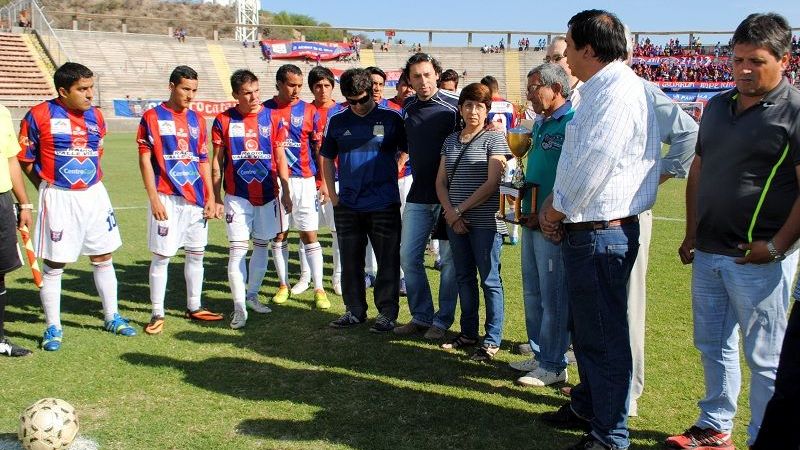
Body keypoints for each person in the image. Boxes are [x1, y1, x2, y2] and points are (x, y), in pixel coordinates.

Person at [668, 13, 800, 449]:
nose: (743, 69)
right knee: (712, 344)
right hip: (709, 250)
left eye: (756, 61)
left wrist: (778, 246)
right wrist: (691, 233)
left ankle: (764, 437)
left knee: (764, 358)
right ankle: (714, 424)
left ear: (784, 59)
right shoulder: (718, 107)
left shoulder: (795, 112)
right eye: (736, 59)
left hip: (757, 256)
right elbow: (699, 169)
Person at [538, 10, 659, 450]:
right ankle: (588, 405)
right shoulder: (599, 89)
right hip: (589, 227)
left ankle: (610, 435)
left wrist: (557, 210)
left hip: (598, 229)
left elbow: (594, 164)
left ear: (589, 49)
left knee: (603, 335)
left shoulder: (617, 92)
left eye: (569, 45)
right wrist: (559, 207)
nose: (564, 54)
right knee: (586, 329)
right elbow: (579, 160)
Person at [18, 62, 135, 351]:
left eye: (91, 87)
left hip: (94, 193)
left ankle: (112, 316)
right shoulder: (38, 115)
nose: (89, 94)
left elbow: (98, 151)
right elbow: (25, 159)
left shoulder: (96, 116)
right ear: (63, 91)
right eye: (82, 89)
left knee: (103, 256)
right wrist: (45, 185)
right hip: (58, 196)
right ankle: (53, 326)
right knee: (55, 262)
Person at [137, 65, 223, 335]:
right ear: (171, 86)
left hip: (195, 200)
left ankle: (194, 306)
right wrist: (154, 199)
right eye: (186, 89)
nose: (190, 95)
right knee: (162, 257)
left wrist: (210, 197)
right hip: (167, 197)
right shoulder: (152, 117)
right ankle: (157, 312)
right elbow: (145, 160)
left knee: (196, 255)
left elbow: (202, 161)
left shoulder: (198, 119)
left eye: (194, 90)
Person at [322, 68, 405, 333]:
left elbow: (407, 147)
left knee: (388, 261)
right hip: (348, 204)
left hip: (384, 203)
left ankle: (387, 313)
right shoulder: (336, 120)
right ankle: (354, 311)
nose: (357, 106)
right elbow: (325, 157)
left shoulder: (391, 117)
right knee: (350, 262)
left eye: (362, 99)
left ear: (372, 91)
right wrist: (333, 195)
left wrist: (396, 165)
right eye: (351, 100)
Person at [211, 69, 291, 329]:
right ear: (235, 94)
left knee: (261, 245)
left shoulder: (274, 118)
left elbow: (280, 158)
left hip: (268, 194)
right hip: (237, 197)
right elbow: (217, 162)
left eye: (256, 91)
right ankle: (239, 308)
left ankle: (252, 295)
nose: (254, 97)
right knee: (237, 252)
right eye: (247, 93)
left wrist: (286, 191)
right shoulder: (223, 120)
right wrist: (215, 197)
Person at [509, 63, 573, 385]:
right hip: (531, 218)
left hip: (553, 223)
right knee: (532, 291)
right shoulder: (539, 124)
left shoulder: (572, 121)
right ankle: (538, 354)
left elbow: (572, 176)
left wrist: (553, 213)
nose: (530, 93)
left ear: (556, 89)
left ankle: (554, 364)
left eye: (535, 87)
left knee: (553, 295)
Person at [435, 82, 510, 360]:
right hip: (455, 221)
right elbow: (440, 182)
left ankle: (492, 339)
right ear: (460, 108)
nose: (473, 111)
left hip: (485, 222)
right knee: (464, 277)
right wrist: (450, 213)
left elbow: (493, 183)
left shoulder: (495, 139)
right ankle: (468, 333)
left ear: (487, 110)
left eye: (479, 106)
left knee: (489, 280)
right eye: (468, 105)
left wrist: (459, 210)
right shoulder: (451, 140)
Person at [395, 53, 460, 340]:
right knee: (408, 257)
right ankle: (421, 316)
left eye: (427, 74)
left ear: (436, 74)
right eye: (416, 76)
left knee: (448, 263)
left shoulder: (455, 107)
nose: (423, 81)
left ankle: (442, 321)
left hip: (451, 197)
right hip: (419, 194)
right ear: (408, 80)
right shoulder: (407, 107)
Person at [264, 64, 330, 309]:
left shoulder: (309, 110)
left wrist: (321, 182)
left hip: (304, 180)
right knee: (279, 234)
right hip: (275, 181)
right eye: (292, 85)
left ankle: (319, 289)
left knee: (309, 234)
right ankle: (283, 285)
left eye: (300, 86)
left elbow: (319, 149)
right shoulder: (265, 110)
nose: (296, 90)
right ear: (279, 84)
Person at [0, 104, 33, 357]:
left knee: (0, 272)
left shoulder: (1, 111)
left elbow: (11, 159)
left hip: (1, 199)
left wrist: (24, 203)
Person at [309, 66, 345, 295]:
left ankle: (338, 277)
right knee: (308, 230)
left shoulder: (341, 112)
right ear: (311, 88)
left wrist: (326, 181)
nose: (322, 90)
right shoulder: (304, 111)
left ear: (333, 87)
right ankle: (308, 277)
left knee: (337, 230)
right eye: (318, 86)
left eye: (327, 85)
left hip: (337, 178)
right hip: (307, 180)